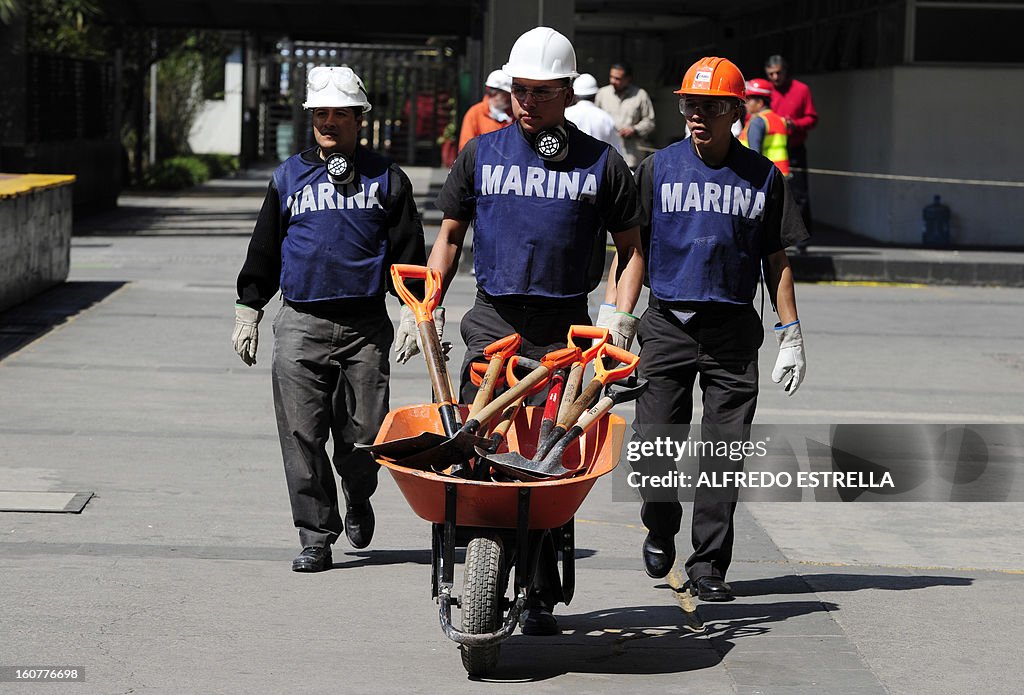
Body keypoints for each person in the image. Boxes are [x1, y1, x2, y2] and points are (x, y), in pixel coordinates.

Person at [428, 27, 645, 635]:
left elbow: (630, 250)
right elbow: (449, 235)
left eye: (542, 93)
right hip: (492, 319)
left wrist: (616, 320)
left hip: (566, 330)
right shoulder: (480, 155)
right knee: (480, 446)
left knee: (550, 458)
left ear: (568, 93)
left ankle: (543, 587)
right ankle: (480, 563)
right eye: (519, 91)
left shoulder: (601, 163)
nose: (527, 103)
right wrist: (427, 304)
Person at [606, 57, 807, 602]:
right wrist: (617, 319)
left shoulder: (763, 177)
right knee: (651, 446)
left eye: (710, 107)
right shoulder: (656, 169)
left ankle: (709, 567)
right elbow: (633, 250)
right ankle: (660, 517)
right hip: (667, 324)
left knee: (723, 456)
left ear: (734, 111)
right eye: (690, 105)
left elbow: (777, 259)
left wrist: (790, 332)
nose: (697, 116)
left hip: (732, 332)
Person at [232, 66, 428, 573]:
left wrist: (414, 313)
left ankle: (358, 496)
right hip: (300, 321)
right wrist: (248, 308)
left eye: (340, 113)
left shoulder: (388, 179)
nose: (329, 122)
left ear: (360, 118)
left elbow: (410, 255)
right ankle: (316, 534)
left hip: (365, 328)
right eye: (321, 113)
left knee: (364, 436)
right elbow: (265, 248)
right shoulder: (288, 178)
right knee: (301, 434)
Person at [765, 55, 817, 251]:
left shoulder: (801, 90)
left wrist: (794, 124)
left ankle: (802, 240)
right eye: (771, 74)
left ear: (786, 72)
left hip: (794, 148)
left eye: (779, 73)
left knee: (799, 193)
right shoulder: (766, 91)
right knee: (772, 193)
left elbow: (812, 118)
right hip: (771, 149)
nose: (776, 77)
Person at [595, 61, 656, 170]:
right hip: (605, 155)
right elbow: (594, 119)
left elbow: (650, 121)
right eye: (611, 77)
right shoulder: (602, 94)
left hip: (631, 157)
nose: (613, 81)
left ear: (628, 79)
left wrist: (634, 130)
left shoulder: (640, 95)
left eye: (617, 79)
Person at [739, 77, 791, 176]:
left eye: (749, 100)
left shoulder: (757, 122)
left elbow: (754, 156)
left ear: (759, 103)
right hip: (781, 174)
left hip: (765, 176)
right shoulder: (780, 120)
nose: (746, 104)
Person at [565, 73, 624, 155]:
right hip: (599, 166)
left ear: (573, 95)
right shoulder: (606, 118)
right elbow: (617, 152)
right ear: (595, 95)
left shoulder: (565, 115)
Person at [457, 69, 514, 152]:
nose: (492, 95)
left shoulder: (516, 115)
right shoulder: (475, 113)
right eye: (490, 91)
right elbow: (465, 148)